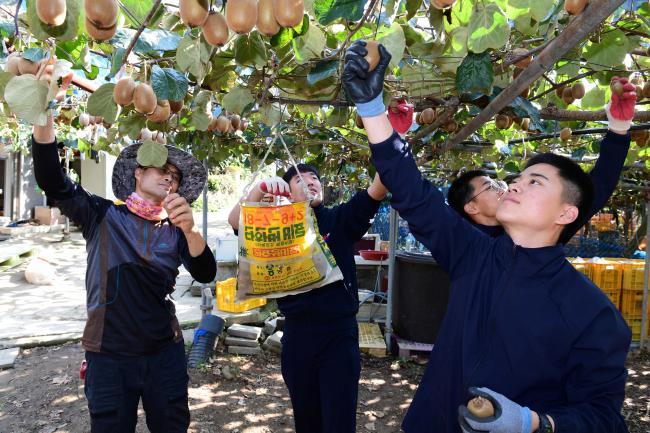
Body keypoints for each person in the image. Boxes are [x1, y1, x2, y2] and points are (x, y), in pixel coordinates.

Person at [342, 41, 632, 433]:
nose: (513, 184)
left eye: (535, 181)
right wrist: (371, 106)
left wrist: (534, 422)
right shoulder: (473, 254)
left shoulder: (593, 314)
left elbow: (602, 417)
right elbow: (413, 190)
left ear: (566, 214)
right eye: (518, 178)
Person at [31, 113, 216, 432]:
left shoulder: (176, 231)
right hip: (109, 355)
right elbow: (52, 180)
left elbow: (205, 271)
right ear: (138, 174)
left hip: (164, 353)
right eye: (162, 168)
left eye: (174, 175)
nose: (169, 177)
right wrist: (43, 114)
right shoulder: (102, 216)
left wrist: (191, 231)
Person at [228, 164, 387, 433]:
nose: (311, 182)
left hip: (338, 336)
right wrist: (260, 189)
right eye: (300, 179)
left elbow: (377, 189)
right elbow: (236, 221)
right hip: (297, 336)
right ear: (287, 192)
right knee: (307, 419)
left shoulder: (339, 220)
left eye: (315, 178)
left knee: (339, 420)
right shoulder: (275, 225)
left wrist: (387, 137)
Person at [447, 83, 634, 243]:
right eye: (490, 187)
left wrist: (618, 130)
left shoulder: (541, 233)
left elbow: (595, 190)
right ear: (472, 207)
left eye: (499, 182)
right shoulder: (464, 246)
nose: (505, 187)